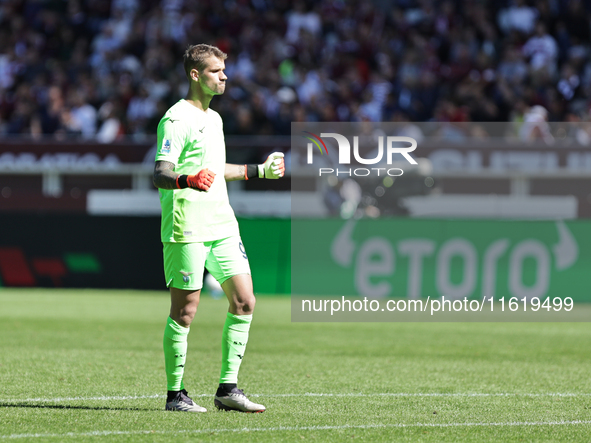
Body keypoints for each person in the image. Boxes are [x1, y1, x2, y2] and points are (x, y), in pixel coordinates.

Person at [152, 44, 285, 413]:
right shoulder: (176, 119)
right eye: (215, 71)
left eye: (224, 70)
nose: (223, 76)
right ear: (195, 75)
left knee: (244, 301)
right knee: (186, 310)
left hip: (222, 222)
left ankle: (228, 389)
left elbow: (217, 166)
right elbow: (160, 172)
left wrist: (259, 171)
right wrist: (186, 179)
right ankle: (175, 395)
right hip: (187, 223)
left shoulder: (215, 119)